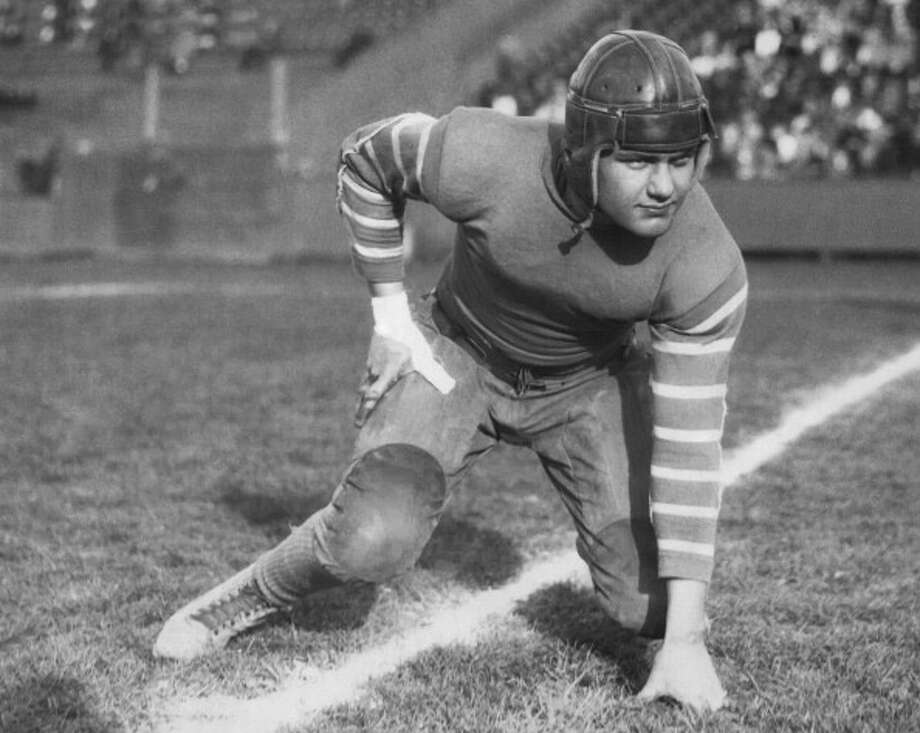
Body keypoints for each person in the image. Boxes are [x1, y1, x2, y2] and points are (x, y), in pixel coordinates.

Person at [154, 30, 747, 714]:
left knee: (656, 605)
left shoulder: (705, 263)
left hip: (591, 383)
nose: (667, 185)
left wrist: (687, 636)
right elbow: (366, 159)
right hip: (459, 353)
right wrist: (391, 321)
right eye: (641, 161)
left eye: (682, 159)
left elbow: (691, 448)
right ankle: (239, 599)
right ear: (588, 149)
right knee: (370, 536)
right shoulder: (488, 156)